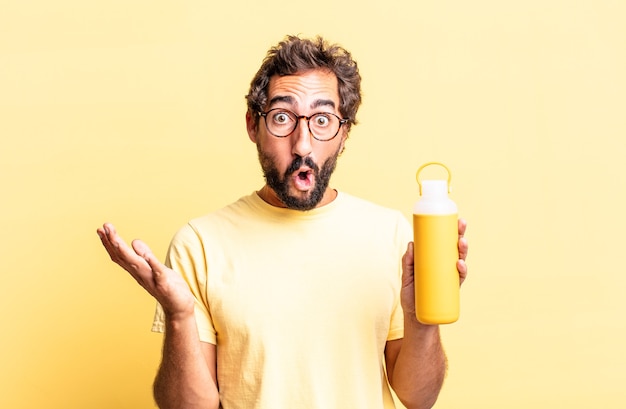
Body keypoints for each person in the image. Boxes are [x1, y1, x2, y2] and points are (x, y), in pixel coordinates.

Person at [97, 35, 468, 409]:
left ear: (344, 134)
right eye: (282, 118)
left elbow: (418, 398)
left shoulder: (394, 236)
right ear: (252, 126)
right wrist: (179, 316)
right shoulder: (200, 244)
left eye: (322, 120)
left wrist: (420, 318)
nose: (303, 144)